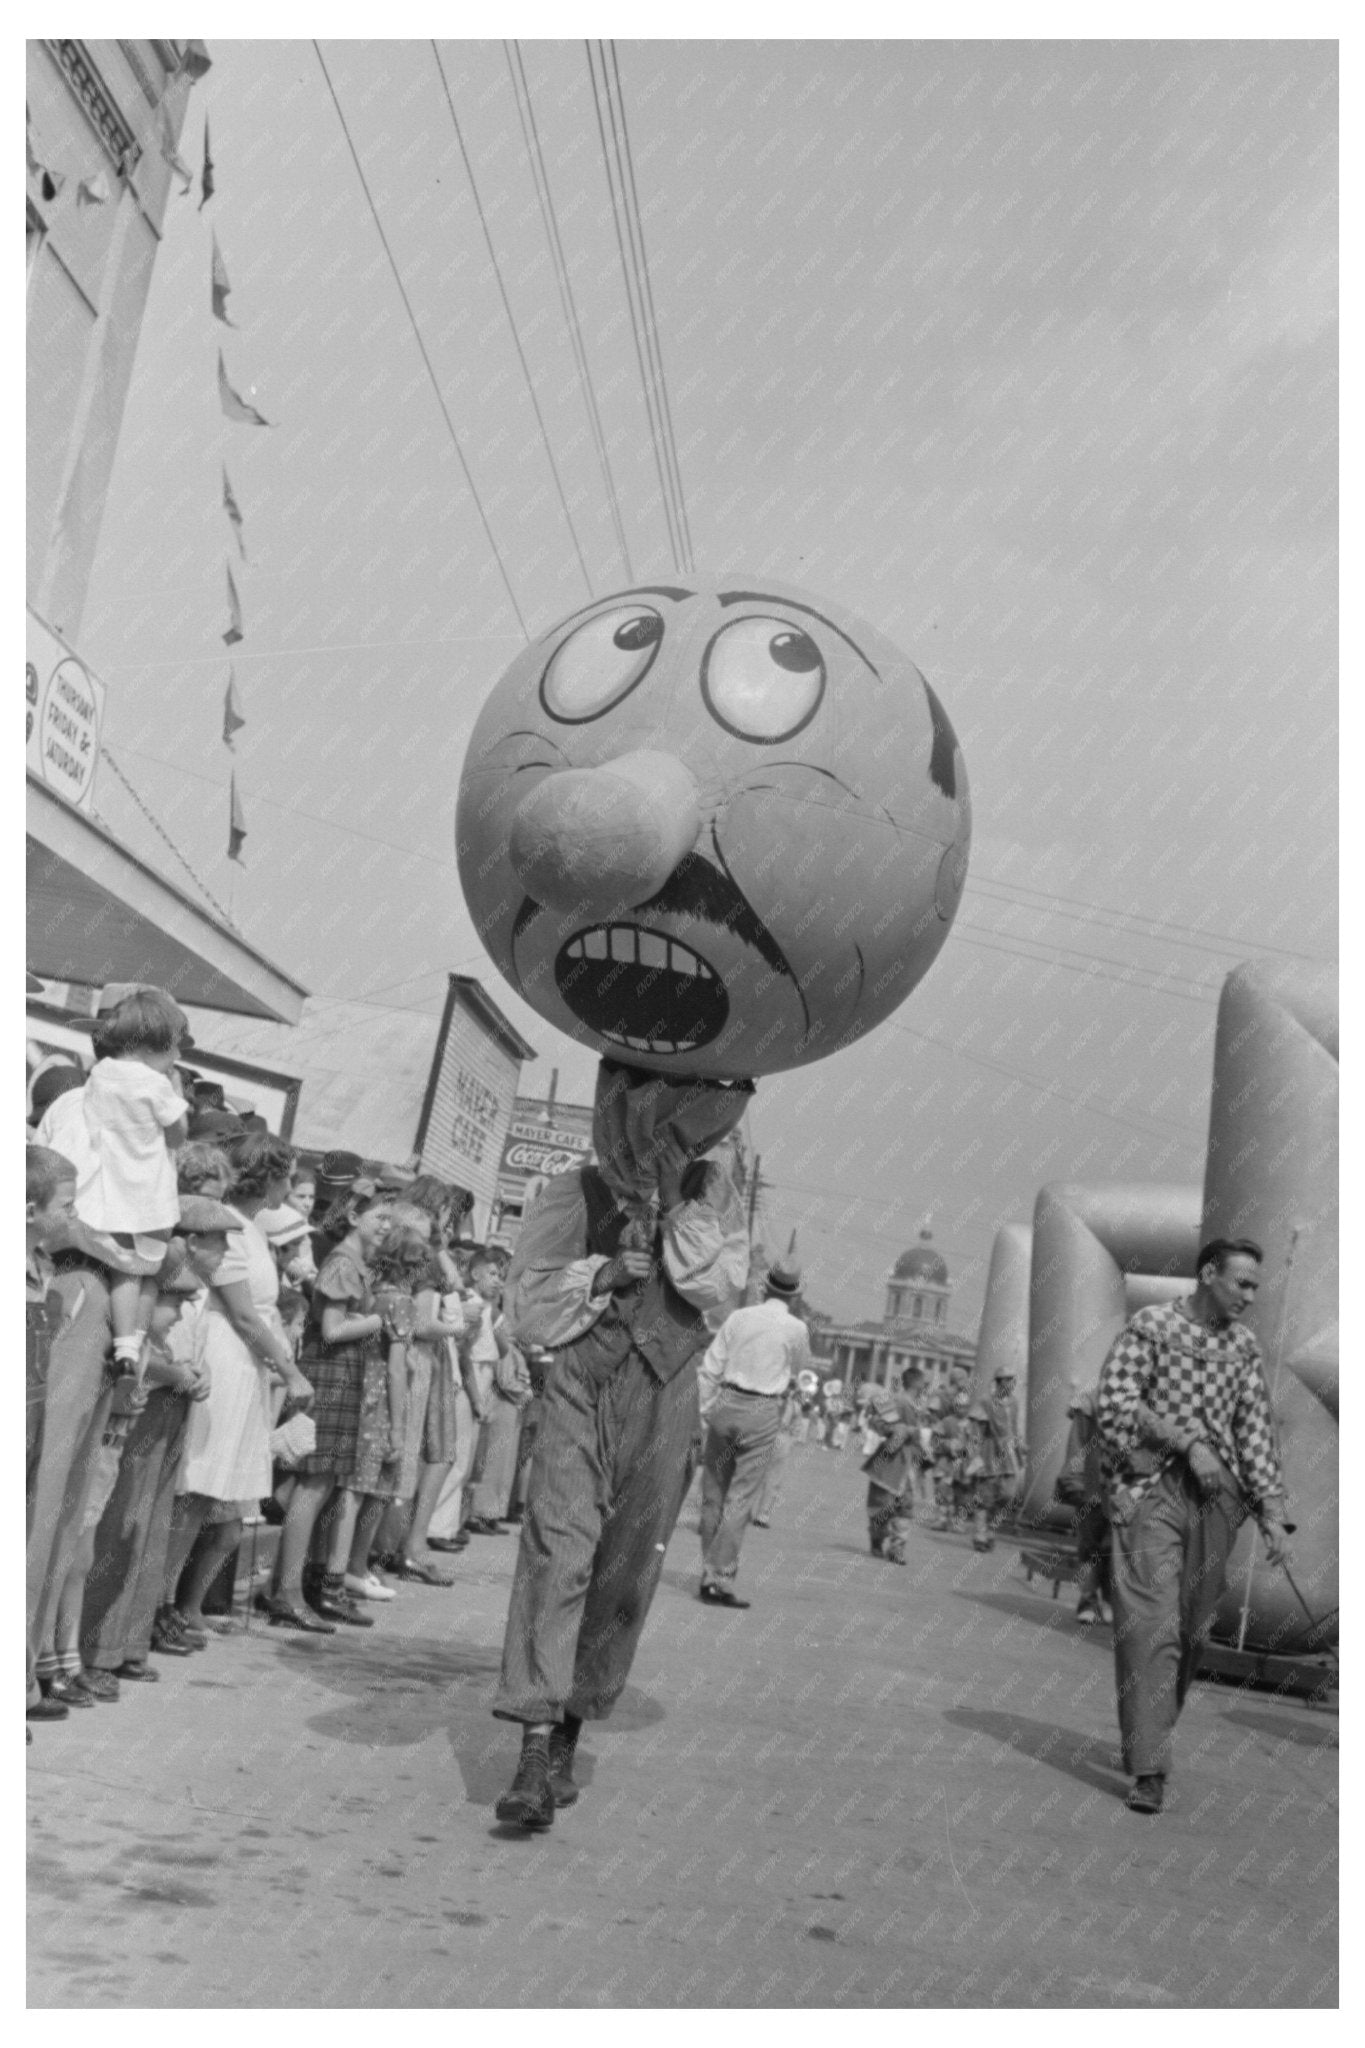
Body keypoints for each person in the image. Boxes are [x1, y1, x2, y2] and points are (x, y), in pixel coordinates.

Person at [491, 1063, 750, 1829]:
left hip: (666, 1387)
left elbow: (716, 1291)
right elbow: (526, 1298)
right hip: (583, 1377)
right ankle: (533, 1748)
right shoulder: (576, 1189)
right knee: (558, 1548)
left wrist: (676, 1209)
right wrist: (600, 1272)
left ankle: (569, 1727)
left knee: (626, 1569)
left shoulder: (711, 1197)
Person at [1095, 1238, 1294, 1816]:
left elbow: (1255, 1431)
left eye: (1256, 1287)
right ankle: (1150, 1767)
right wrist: (1187, 1442)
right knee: (1149, 1625)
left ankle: (1148, 1734)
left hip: (1217, 1501)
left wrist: (1275, 1515)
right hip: (1149, 1492)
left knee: (1193, 1630)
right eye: (1243, 1284)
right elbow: (1115, 1404)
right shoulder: (1150, 1326)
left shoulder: (1245, 1348)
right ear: (1209, 1274)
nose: (1251, 1297)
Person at [159, 1133, 308, 1650]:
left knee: (218, 1495)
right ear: (265, 1176)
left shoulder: (250, 1229)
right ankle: (164, 1604)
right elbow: (244, 1313)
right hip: (225, 1354)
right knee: (199, 1488)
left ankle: (184, 1604)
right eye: (285, 1175)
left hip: (245, 1365)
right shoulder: (233, 1229)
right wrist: (289, 1370)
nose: (289, 1187)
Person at [81, 1202, 231, 1686]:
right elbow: (143, 1350)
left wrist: (193, 1372)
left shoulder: (190, 1291)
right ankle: (97, 1647)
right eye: (216, 1240)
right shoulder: (158, 1267)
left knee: (149, 1530)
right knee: (121, 1526)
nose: (225, 1250)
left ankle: (129, 1640)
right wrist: (176, 1374)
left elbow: (175, 1345)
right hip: (146, 1410)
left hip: (172, 1410)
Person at [266, 1191, 393, 1630]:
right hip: (331, 1372)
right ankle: (287, 1594)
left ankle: (283, 1588)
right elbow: (334, 1328)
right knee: (312, 1484)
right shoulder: (342, 1262)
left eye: (390, 1220)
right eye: (379, 1217)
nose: (385, 1226)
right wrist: (382, 1321)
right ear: (355, 1216)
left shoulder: (351, 1262)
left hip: (342, 1373)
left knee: (318, 1484)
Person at [56, 988, 190, 1381]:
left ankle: (127, 1346)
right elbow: (178, 1135)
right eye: (175, 1048)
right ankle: (130, 1344)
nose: (178, 1057)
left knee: (124, 1264)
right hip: (145, 1195)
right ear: (156, 1046)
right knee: (140, 1269)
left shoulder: (100, 1075)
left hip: (104, 1193)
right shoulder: (156, 1083)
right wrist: (178, 1096)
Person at [695, 1260, 811, 1606]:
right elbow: (800, 1369)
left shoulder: (738, 1318)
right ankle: (720, 1578)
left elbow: (710, 1367)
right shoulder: (796, 1328)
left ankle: (707, 1571)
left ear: (765, 1287)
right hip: (762, 1409)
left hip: (726, 1402)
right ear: (793, 1295)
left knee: (713, 1492)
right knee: (741, 1497)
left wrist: (704, 1413)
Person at [1055, 1383, 1111, 1626]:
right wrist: (1075, 1480)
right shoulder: (1090, 1400)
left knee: (1114, 1547)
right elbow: (1077, 1445)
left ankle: (1108, 1599)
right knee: (1090, 1545)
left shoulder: (1141, 1398)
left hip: (1123, 1487)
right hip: (1091, 1483)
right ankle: (1087, 1601)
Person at [862, 1374, 922, 1563]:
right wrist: (893, 1430)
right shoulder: (895, 1400)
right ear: (917, 1383)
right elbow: (874, 1421)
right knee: (882, 1506)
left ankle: (897, 1548)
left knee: (905, 1507)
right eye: (923, 1382)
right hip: (890, 1460)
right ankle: (877, 1539)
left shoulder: (919, 1405)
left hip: (910, 1460)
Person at [968, 1366, 1026, 1552]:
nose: (1011, 1384)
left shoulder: (1014, 1403)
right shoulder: (985, 1402)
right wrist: (975, 1458)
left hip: (1008, 1456)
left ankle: (991, 1529)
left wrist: (1020, 1447)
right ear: (999, 1382)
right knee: (985, 1497)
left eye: (1013, 1380)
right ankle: (980, 1535)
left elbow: (1014, 1430)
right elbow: (976, 1434)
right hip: (989, 1453)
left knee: (1008, 1495)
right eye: (1008, 1380)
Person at [752, 1380, 803, 1528]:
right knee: (753, 1475)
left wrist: (790, 1441)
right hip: (763, 1437)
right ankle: (744, 1510)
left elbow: (797, 1426)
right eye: (786, 1386)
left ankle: (763, 1515)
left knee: (774, 1480)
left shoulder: (794, 1405)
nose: (788, 1390)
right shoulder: (766, 1400)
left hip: (781, 1439)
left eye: (791, 1387)